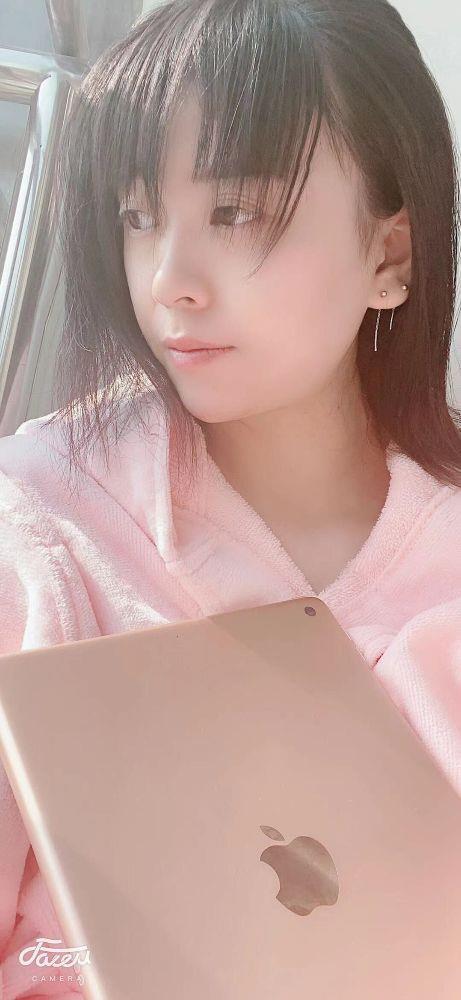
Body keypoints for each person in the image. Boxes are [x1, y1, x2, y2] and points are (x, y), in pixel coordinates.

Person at [0, 0, 460, 995]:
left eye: (234, 211)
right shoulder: (38, 526)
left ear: (389, 256)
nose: (168, 279)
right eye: (136, 216)